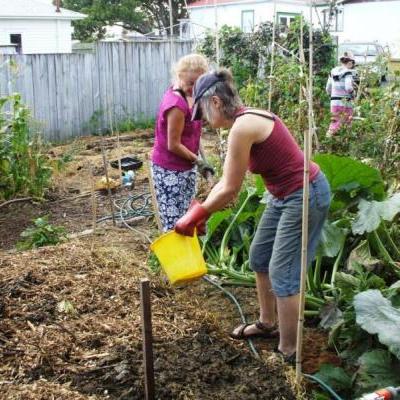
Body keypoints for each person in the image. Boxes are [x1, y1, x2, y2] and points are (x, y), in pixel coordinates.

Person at [174, 69, 331, 364]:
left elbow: (231, 189)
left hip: (305, 194)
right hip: (282, 195)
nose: (205, 122)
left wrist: (196, 215)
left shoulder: (243, 127)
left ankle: (288, 350)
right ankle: (267, 323)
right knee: (259, 257)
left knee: (284, 273)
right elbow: (224, 182)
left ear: (217, 103)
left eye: (204, 113)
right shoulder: (245, 120)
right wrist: (199, 211)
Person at [151, 54, 213, 232]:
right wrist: (198, 161)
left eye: (198, 83)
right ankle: (174, 257)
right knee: (173, 220)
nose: (193, 87)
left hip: (187, 165)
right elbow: (173, 144)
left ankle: (188, 252)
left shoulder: (194, 98)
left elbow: (194, 132)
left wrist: (201, 158)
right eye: (190, 83)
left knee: (188, 212)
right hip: (169, 169)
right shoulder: (176, 104)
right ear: (179, 76)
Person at [326, 51, 356, 137]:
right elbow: (349, 88)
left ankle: (329, 140)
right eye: (353, 63)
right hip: (346, 102)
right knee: (347, 122)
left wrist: (332, 96)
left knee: (334, 121)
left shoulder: (332, 71)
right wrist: (353, 94)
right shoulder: (348, 73)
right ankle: (345, 142)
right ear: (350, 62)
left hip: (334, 102)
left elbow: (328, 88)